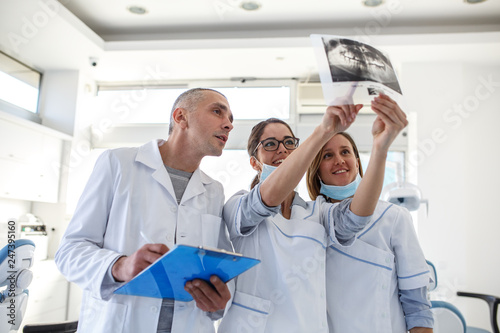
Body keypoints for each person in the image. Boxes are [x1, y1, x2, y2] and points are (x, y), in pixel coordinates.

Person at [218, 93, 407, 332]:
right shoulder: (237, 205)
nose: (282, 150)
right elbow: (267, 200)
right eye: (270, 144)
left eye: (289, 143)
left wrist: (380, 149)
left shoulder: (315, 212)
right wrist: (324, 130)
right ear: (254, 162)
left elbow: (356, 217)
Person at [55, 88, 235, 333]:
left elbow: (217, 269)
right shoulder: (118, 164)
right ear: (181, 117)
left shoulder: (214, 190)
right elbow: (69, 251)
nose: (228, 125)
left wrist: (217, 303)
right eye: (218, 112)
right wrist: (120, 266)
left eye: (231, 120)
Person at [306, 94, 433, 333]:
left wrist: (380, 147)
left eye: (345, 152)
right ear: (315, 170)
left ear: (357, 160)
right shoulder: (309, 219)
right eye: (327, 155)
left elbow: (418, 306)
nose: (339, 160)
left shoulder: (394, 218)